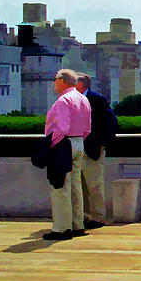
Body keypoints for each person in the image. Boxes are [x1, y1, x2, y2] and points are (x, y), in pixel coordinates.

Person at [42, 69, 92, 240]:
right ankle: (78, 225)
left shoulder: (64, 100)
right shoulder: (83, 99)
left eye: (55, 79)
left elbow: (61, 128)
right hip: (79, 143)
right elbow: (87, 129)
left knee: (60, 187)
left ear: (62, 81)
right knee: (76, 185)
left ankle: (62, 228)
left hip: (64, 144)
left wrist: (51, 145)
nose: (54, 82)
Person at [75, 72, 118, 230]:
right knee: (80, 186)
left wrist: (103, 144)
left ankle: (98, 218)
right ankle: (85, 216)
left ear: (81, 84)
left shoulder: (97, 99)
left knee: (94, 185)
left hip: (92, 149)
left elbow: (111, 122)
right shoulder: (72, 99)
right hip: (77, 148)